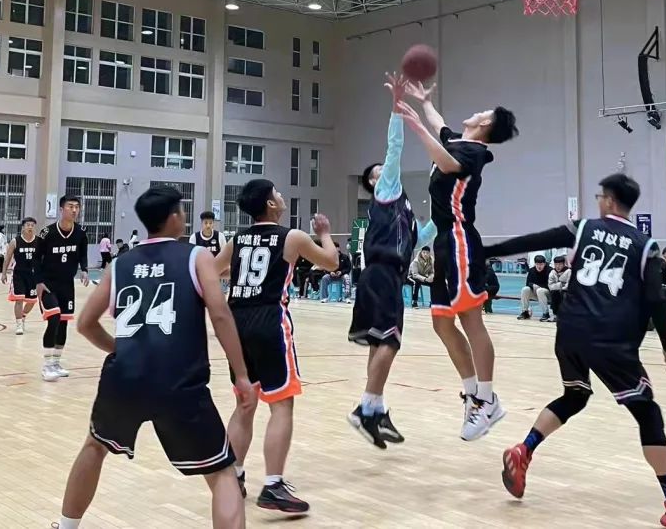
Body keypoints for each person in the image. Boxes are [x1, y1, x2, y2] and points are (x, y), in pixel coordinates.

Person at [484, 173, 666, 528]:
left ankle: (524, 449)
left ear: (610, 200)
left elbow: (536, 239)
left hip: (569, 331)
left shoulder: (583, 228)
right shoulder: (645, 245)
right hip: (609, 338)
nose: (598, 201)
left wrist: (485, 251)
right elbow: (656, 300)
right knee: (648, 414)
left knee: (575, 395)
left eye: (600, 196)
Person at [52, 186, 255, 529]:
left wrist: (119, 349)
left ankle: (66, 526)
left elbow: (85, 324)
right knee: (223, 473)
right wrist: (242, 375)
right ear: (174, 217)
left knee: (95, 446)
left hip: (124, 377)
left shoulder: (120, 264)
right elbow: (220, 315)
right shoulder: (196, 257)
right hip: (178, 379)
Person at [395, 84, 518, 441]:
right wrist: (425, 104)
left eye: (485, 112)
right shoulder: (457, 141)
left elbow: (449, 164)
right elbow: (441, 127)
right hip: (443, 242)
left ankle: (487, 399)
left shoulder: (475, 152)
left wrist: (416, 126)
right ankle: (472, 394)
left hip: (460, 238)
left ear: (486, 125)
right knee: (441, 323)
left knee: (470, 320)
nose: (478, 111)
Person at [212, 179, 338, 514]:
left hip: (236, 324)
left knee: (245, 404)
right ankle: (273, 485)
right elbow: (331, 262)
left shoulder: (238, 239)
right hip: (269, 321)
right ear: (270, 204)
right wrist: (325, 233)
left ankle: (233, 477)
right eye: (278, 193)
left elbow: (213, 271)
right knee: (281, 405)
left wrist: (239, 275)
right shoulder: (292, 237)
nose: (281, 196)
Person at [348, 73, 437, 448]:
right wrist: (397, 108)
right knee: (390, 342)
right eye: (377, 172)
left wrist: (450, 213)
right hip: (382, 276)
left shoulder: (402, 211)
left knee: (379, 343)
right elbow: (394, 148)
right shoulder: (386, 191)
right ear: (374, 182)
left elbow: (422, 237)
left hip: (385, 276)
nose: (383, 171)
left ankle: (377, 409)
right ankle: (365, 408)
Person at [35, 195, 91, 382]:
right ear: (61, 209)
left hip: (67, 285)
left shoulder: (81, 233)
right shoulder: (47, 233)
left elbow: (83, 254)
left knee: (64, 322)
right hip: (48, 284)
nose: (74, 210)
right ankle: (47, 365)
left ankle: (56, 363)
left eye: (77, 207)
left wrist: (84, 270)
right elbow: (36, 259)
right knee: (54, 318)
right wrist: (39, 281)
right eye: (70, 206)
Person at [2, 217, 39, 335]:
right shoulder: (15, 241)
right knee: (19, 300)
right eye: (28, 225)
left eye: (32, 225)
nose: (30, 227)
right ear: (23, 227)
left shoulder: (39, 241)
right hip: (19, 274)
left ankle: (23, 316)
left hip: (33, 275)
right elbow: (7, 257)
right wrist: (4, 273)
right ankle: (18, 324)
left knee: (32, 301)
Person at [518, 255, 551, 321]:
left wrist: (539, 286)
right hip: (536, 293)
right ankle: (525, 312)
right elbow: (527, 283)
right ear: (535, 264)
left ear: (544, 264)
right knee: (525, 289)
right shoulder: (531, 270)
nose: (539, 266)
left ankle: (546, 313)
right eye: (537, 264)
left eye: (541, 264)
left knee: (540, 290)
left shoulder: (550, 271)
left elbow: (551, 285)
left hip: (548, 294)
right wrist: (532, 285)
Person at [547, 255, 570, 320]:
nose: (558, 266)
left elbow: (569, 284)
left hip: (566, 291)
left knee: (563, 293)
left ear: (564, 264)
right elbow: (550, 286)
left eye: (560, 264)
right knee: (554, 293)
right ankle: (555, 314)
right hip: (556, 291)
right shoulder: (552, 272)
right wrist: (561, 284)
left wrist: (561, 288)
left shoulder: (569, 271)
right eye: (556, 264)